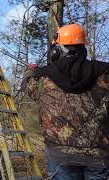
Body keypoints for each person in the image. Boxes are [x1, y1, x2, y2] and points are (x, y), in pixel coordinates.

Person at [23, 23, 109, 179]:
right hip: (100, 157)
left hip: (60, 157)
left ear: (56, 51)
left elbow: (26, 87)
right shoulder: (105, 73)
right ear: (83, 48)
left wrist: (31, 70)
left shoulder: (42, 77)